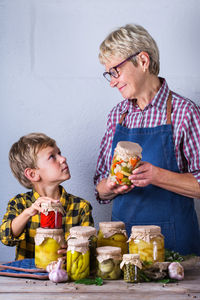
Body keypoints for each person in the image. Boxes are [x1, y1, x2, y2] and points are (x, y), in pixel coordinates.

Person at [94, 24, 200, 255]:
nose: (112, 82)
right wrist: (111, 187)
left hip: (174, 247)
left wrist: (157, 175)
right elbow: (100, 189)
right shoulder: (117, 115)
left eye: (116, 71)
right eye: (109, 74)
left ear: (143, 61)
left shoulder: (184, 112)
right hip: (121, 247)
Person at [0, 133, 94, 260]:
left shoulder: (81, 207)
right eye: (52, 157)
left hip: (67, 277)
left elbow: (91, 247)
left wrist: (76, 251)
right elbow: (6, 238)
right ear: (33, 174)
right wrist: (28, 213)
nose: (63, 158)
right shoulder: (19, 203)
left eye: (59, 153)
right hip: (29, 277)